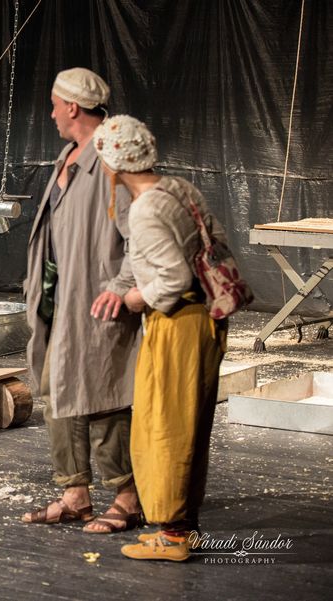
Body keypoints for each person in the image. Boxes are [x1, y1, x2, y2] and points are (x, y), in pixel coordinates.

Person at [92, 115, 227, 561]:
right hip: (203, 317)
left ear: (114, 163)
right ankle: (185, 527)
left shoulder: (146, 209)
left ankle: (172, 537)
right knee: (186, 425)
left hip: (179, 323)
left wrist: (135, 297)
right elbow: (213, 243)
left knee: (166, 427)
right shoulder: (178, 189)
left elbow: (173, 277)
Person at [21, 69, 143, 533]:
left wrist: (119, 286)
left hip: (96, 299)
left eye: (55, 105)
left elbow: (141, 234)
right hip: (60, 298)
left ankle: (128, 495)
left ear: (72, 107)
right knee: (56, 390)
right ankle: (75, 493)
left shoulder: (112, 159)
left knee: (104, 395)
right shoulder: (67, 156)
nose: (52, 113)